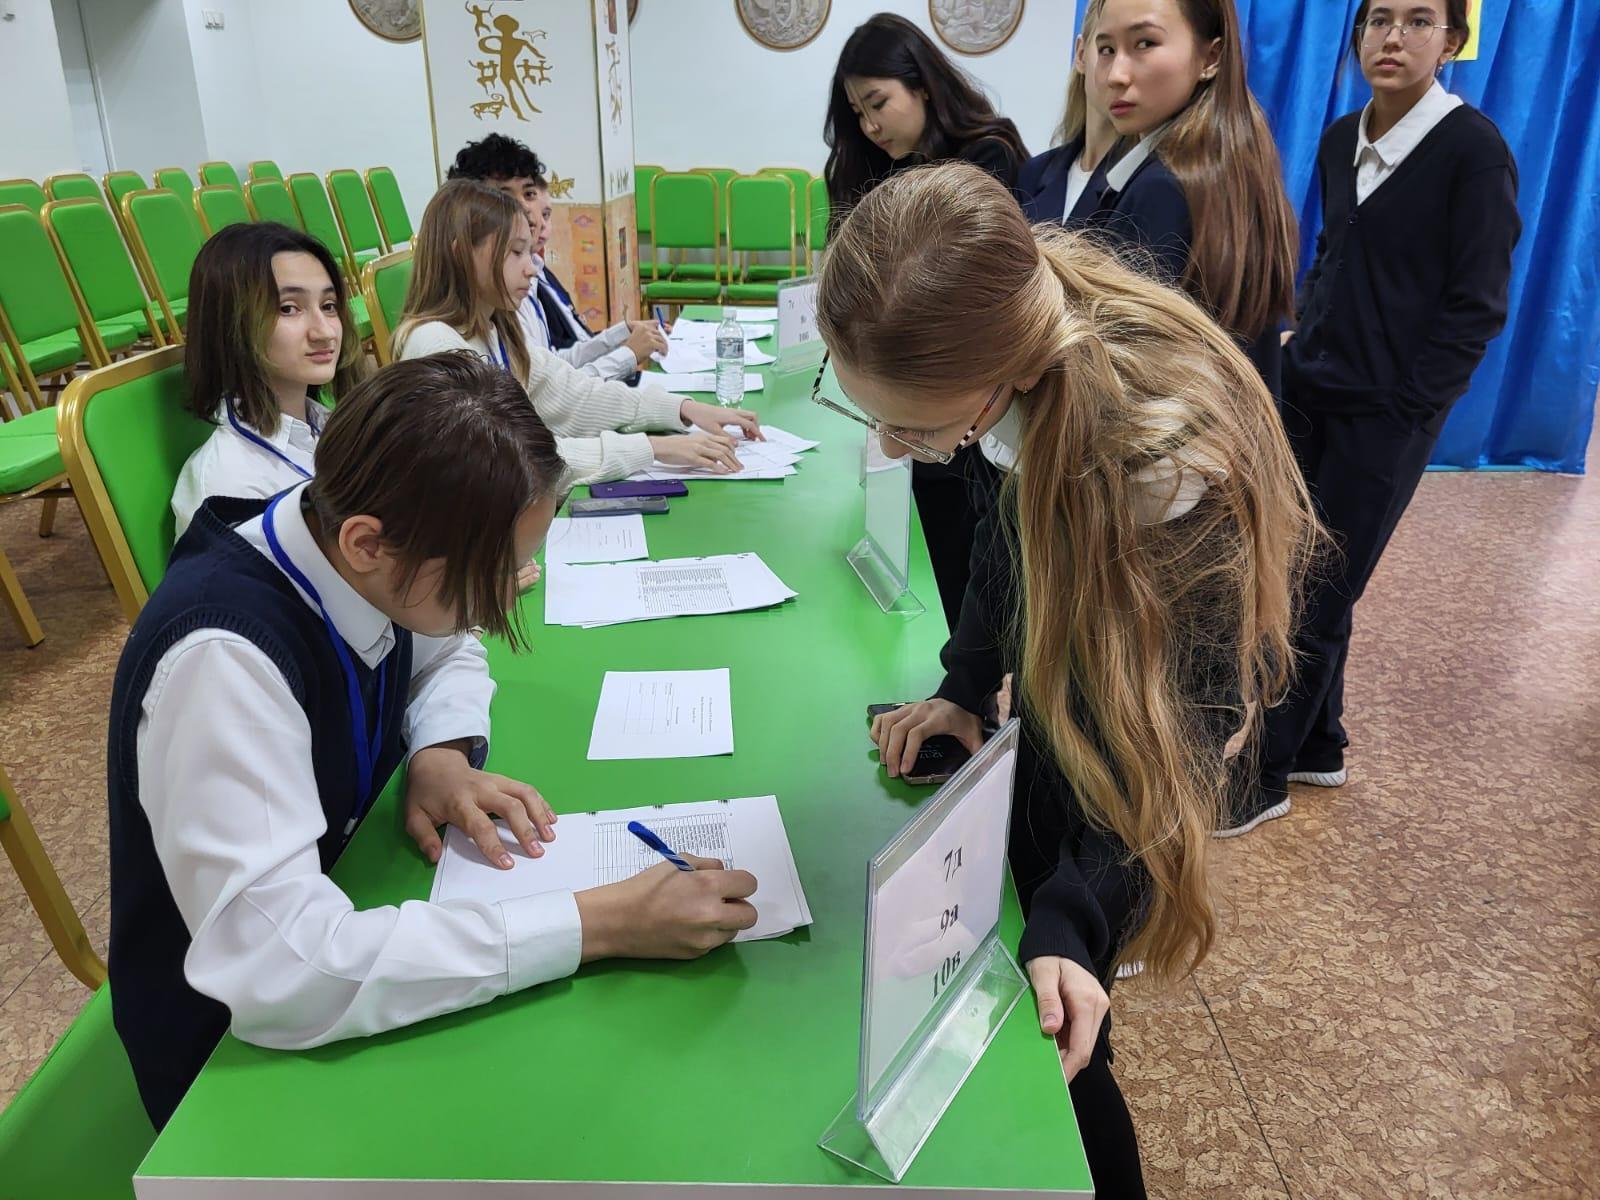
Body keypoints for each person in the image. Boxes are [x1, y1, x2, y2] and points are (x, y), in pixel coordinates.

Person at [814, 162, 1317, 1196]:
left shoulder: (1154, 461)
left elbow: (1171, 738)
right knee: (1034, 881)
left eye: (912, 428)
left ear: (996, 381)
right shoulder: (1012, 361)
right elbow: (1006, 537)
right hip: (1068, 694)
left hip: (1135, 742)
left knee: (1062, 1025)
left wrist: (1078, 917)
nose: (891, 447)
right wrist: (964, 683)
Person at [109, 353, 762, 1129]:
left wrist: (440, 751)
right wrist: (600, 922)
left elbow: (448, 645)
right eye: (489, 577)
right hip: (230, 1064)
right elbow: (284, 971)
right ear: (367, 544)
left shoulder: (348, 536)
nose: (497, 606)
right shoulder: (222, 662)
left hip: (350, 905)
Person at [1227, 0, 1520, 833]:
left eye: (1418, 21)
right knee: (1300, 571)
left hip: (1387, 417)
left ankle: (1261, 775)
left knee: (1319, 591)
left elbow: (1476, 306)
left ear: (1451, 41)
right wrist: (1302, 332)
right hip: (1309, 390)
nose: (1393, 37)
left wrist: (1408, 409)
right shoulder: (1338, 139)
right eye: (1378, 19)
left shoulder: (1474, 152)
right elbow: (1335, 252)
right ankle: (1319, 743)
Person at [823, 11, 1030, 629]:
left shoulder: (988, 157)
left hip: (964, 394)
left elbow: (971, 304)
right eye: (858, 111)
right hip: (920, 398)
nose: (869, 124)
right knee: (929, 532)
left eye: (878, 103)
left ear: (924, 86)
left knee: (977, 550)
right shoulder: (877, 167)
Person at [394, 179, 757, 489]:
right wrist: (651, 448)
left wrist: (682, 409)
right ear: (461, 255)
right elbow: (508, 458)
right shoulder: (435, 345)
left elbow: (575, 396)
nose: (531, 269)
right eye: (515, 252)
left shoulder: (495, 328)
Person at [1081, 0, 1298, 398]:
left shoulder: (1164, 189)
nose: (1116, 75)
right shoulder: (1230, 164)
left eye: (1145, 43)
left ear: (1211, 57)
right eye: (1106, 49)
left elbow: (1119, 373)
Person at [170, 223, 367, 538]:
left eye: (328, 306)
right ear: (231, 322)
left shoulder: (330, 426)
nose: (325, 331)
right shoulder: (228, 486)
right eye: (288, 309)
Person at [446, 134, 666, 383]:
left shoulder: (526, 277)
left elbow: (551, 368)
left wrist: (622, 336)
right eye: (504, 197)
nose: (525, 208)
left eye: (529, 194)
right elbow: (548, 393)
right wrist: (628, 353)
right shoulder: (491, 303)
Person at [1019, 0, 1120, 227]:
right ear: (1081, 54)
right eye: (1107, 50)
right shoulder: (1033, 173)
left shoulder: (1150, 182)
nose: (1119, 73)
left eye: (1142, 47)